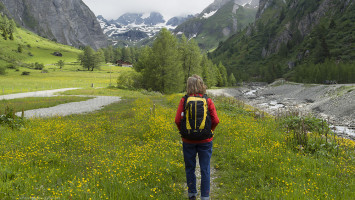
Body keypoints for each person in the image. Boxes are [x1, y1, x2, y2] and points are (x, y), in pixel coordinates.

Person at [175, 75, 219, 200]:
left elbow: (177, 120)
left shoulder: (184, 100)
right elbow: (216, 120)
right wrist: (209, 131)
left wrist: (184, 132)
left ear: (189, 86)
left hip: (188, 140)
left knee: (190, 168)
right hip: (205, 140)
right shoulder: (207, 100)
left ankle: (192, 194)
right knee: (205, 168)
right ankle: (205, 196)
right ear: (201, 85)